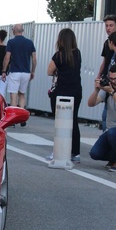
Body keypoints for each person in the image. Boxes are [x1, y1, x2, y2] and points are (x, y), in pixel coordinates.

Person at [46, 28, 82, 163]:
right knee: (73, 121)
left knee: (60, 123)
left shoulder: (59, 55)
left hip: (60, 91)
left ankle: (60, 151)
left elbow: (49, 71)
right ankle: (75, 153)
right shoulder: (77, 54)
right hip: (76, 91)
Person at [1, 24, 37, 116]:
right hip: (26, 72)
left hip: (14, 72)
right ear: (22, 30)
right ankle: (22, 117)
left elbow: (7, 58)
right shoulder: (29, 42)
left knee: (14, 95)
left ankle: (13, 117)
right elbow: (34, 59)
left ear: (14, 31)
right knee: (22, 94)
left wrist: (4, 71)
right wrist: (32, 71)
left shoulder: (11, 42)